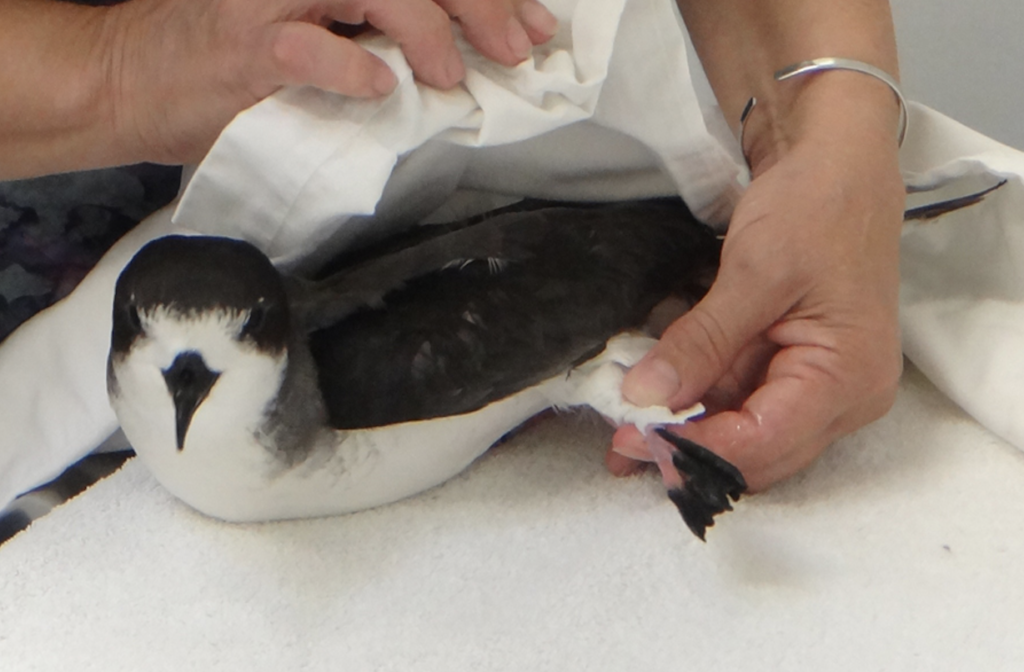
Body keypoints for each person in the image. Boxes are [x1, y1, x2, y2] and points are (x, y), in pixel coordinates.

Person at [0, 0, 905, 493]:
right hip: (65, 213)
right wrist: (117, 66)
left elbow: (815, 97)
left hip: (577, 172)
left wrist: (830, 131)